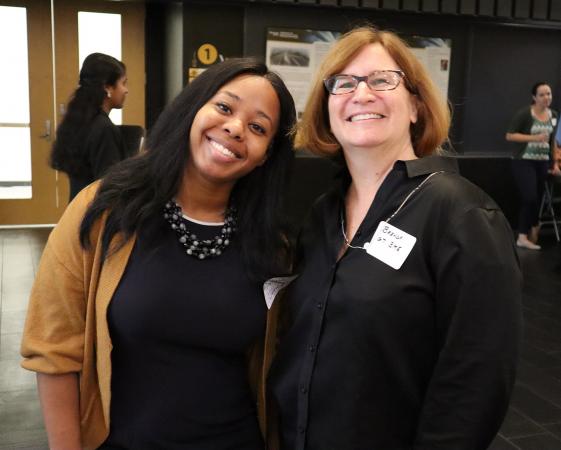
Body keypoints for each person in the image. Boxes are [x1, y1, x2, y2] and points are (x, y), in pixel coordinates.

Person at [267, 26, 522, 450]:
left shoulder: (459, 213)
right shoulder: (322, 215)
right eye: (343, 84)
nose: (361, 94)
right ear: (327, 108)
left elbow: (477, 378)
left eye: (382, 80)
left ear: (416, 106)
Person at [21, 58, 296, 450]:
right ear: (192, 109)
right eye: (224, 107)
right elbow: (53, 352)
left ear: (266, 154)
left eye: (257, 127)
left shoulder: (273, 243)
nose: (235, 128)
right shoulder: (102, 211)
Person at [50, 52, 129, 201]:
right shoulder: (104, 129)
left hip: (76, 210)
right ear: (108, 87)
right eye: (123, 83)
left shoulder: (79, 122)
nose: (126, 90)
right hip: (94, 217)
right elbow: (109, 188)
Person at [506, 82, 559, 249]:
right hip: (523, 160)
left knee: (537, 197)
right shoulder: (525, 114)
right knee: (529, 197)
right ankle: (523, 235)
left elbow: (553, 142)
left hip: (542, 162)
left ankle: (533, 226)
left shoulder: (554, 115)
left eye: (548, 94)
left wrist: (555, 163)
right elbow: (510, 136)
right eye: (542, 94)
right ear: (534, 97)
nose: (546, 98)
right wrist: (534, 138)